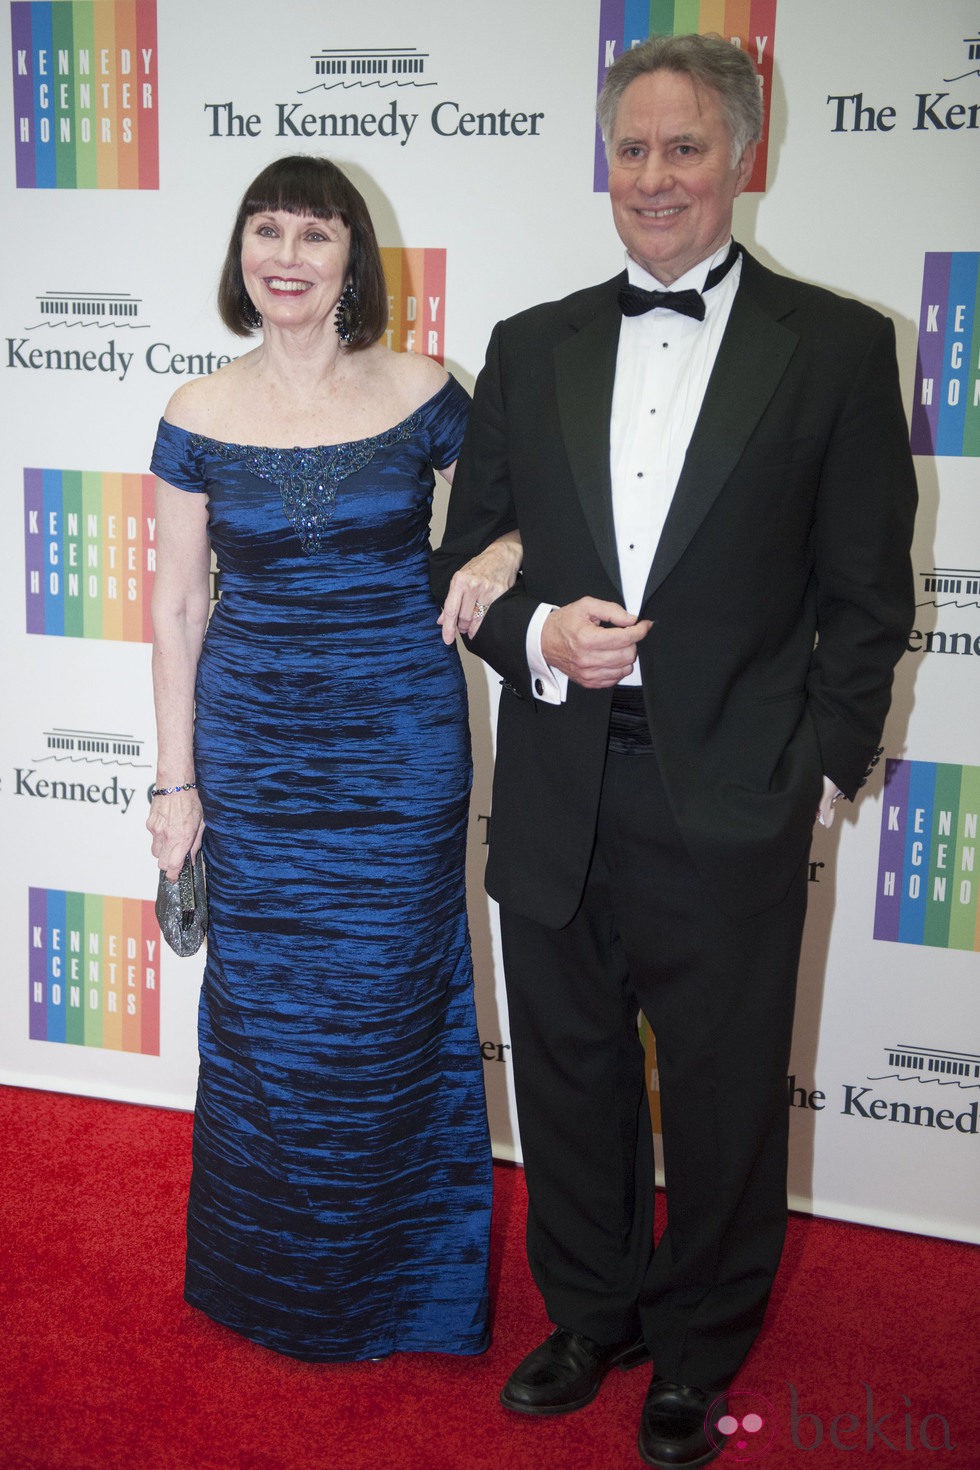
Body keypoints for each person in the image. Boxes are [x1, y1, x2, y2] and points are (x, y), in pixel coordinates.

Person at [432, 34, 916, 1469]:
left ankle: (698, 1348)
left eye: (684, 147)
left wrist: (816, 771)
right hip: (561, 780)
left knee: (718, 1095)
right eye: (631, 150)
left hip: (733, 797)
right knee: (571, 1070)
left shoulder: (834, 345)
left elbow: (869, 598)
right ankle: (590, 1312)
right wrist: (536, 635)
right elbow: (468, 564)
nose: (654, 178)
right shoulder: (531, 344)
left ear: (741, 159)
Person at [146, 154, 520, 1363]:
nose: (288, 257)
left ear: (354, 256)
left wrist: (498, 556)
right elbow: (175, 608)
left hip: (400, 751)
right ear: (239, 254)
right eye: (267, 231)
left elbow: (518, 510)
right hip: (254, 754)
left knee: (396, 1006)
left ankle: (407, 1286)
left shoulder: (425, 391)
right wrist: (174, 782)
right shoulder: (195, 413)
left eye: (315, 234)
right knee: (263, 1020)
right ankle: (277, 1284)